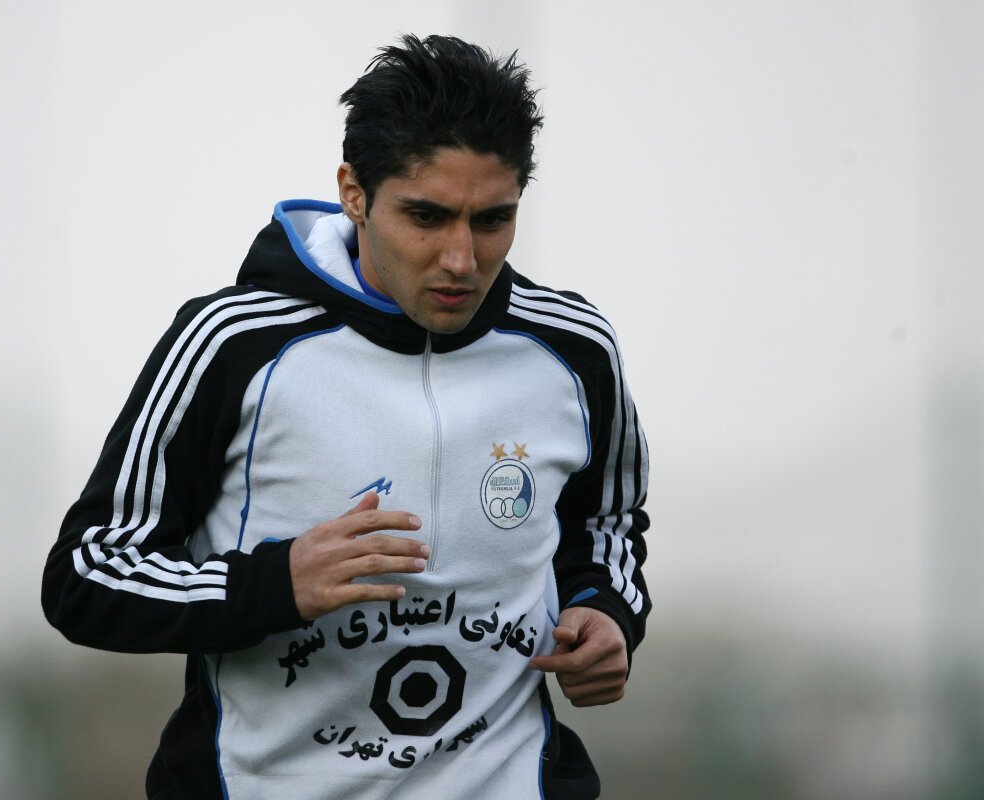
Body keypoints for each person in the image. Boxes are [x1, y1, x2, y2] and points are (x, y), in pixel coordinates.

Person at [42, 34, 650, 800]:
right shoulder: (231, 345)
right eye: (427, 216)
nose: (461, 258)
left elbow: (607, 524)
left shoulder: (575, 349)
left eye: (492, 220)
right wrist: (273, 585)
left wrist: (605, 611)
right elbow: (88, 574)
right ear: (354, 193)